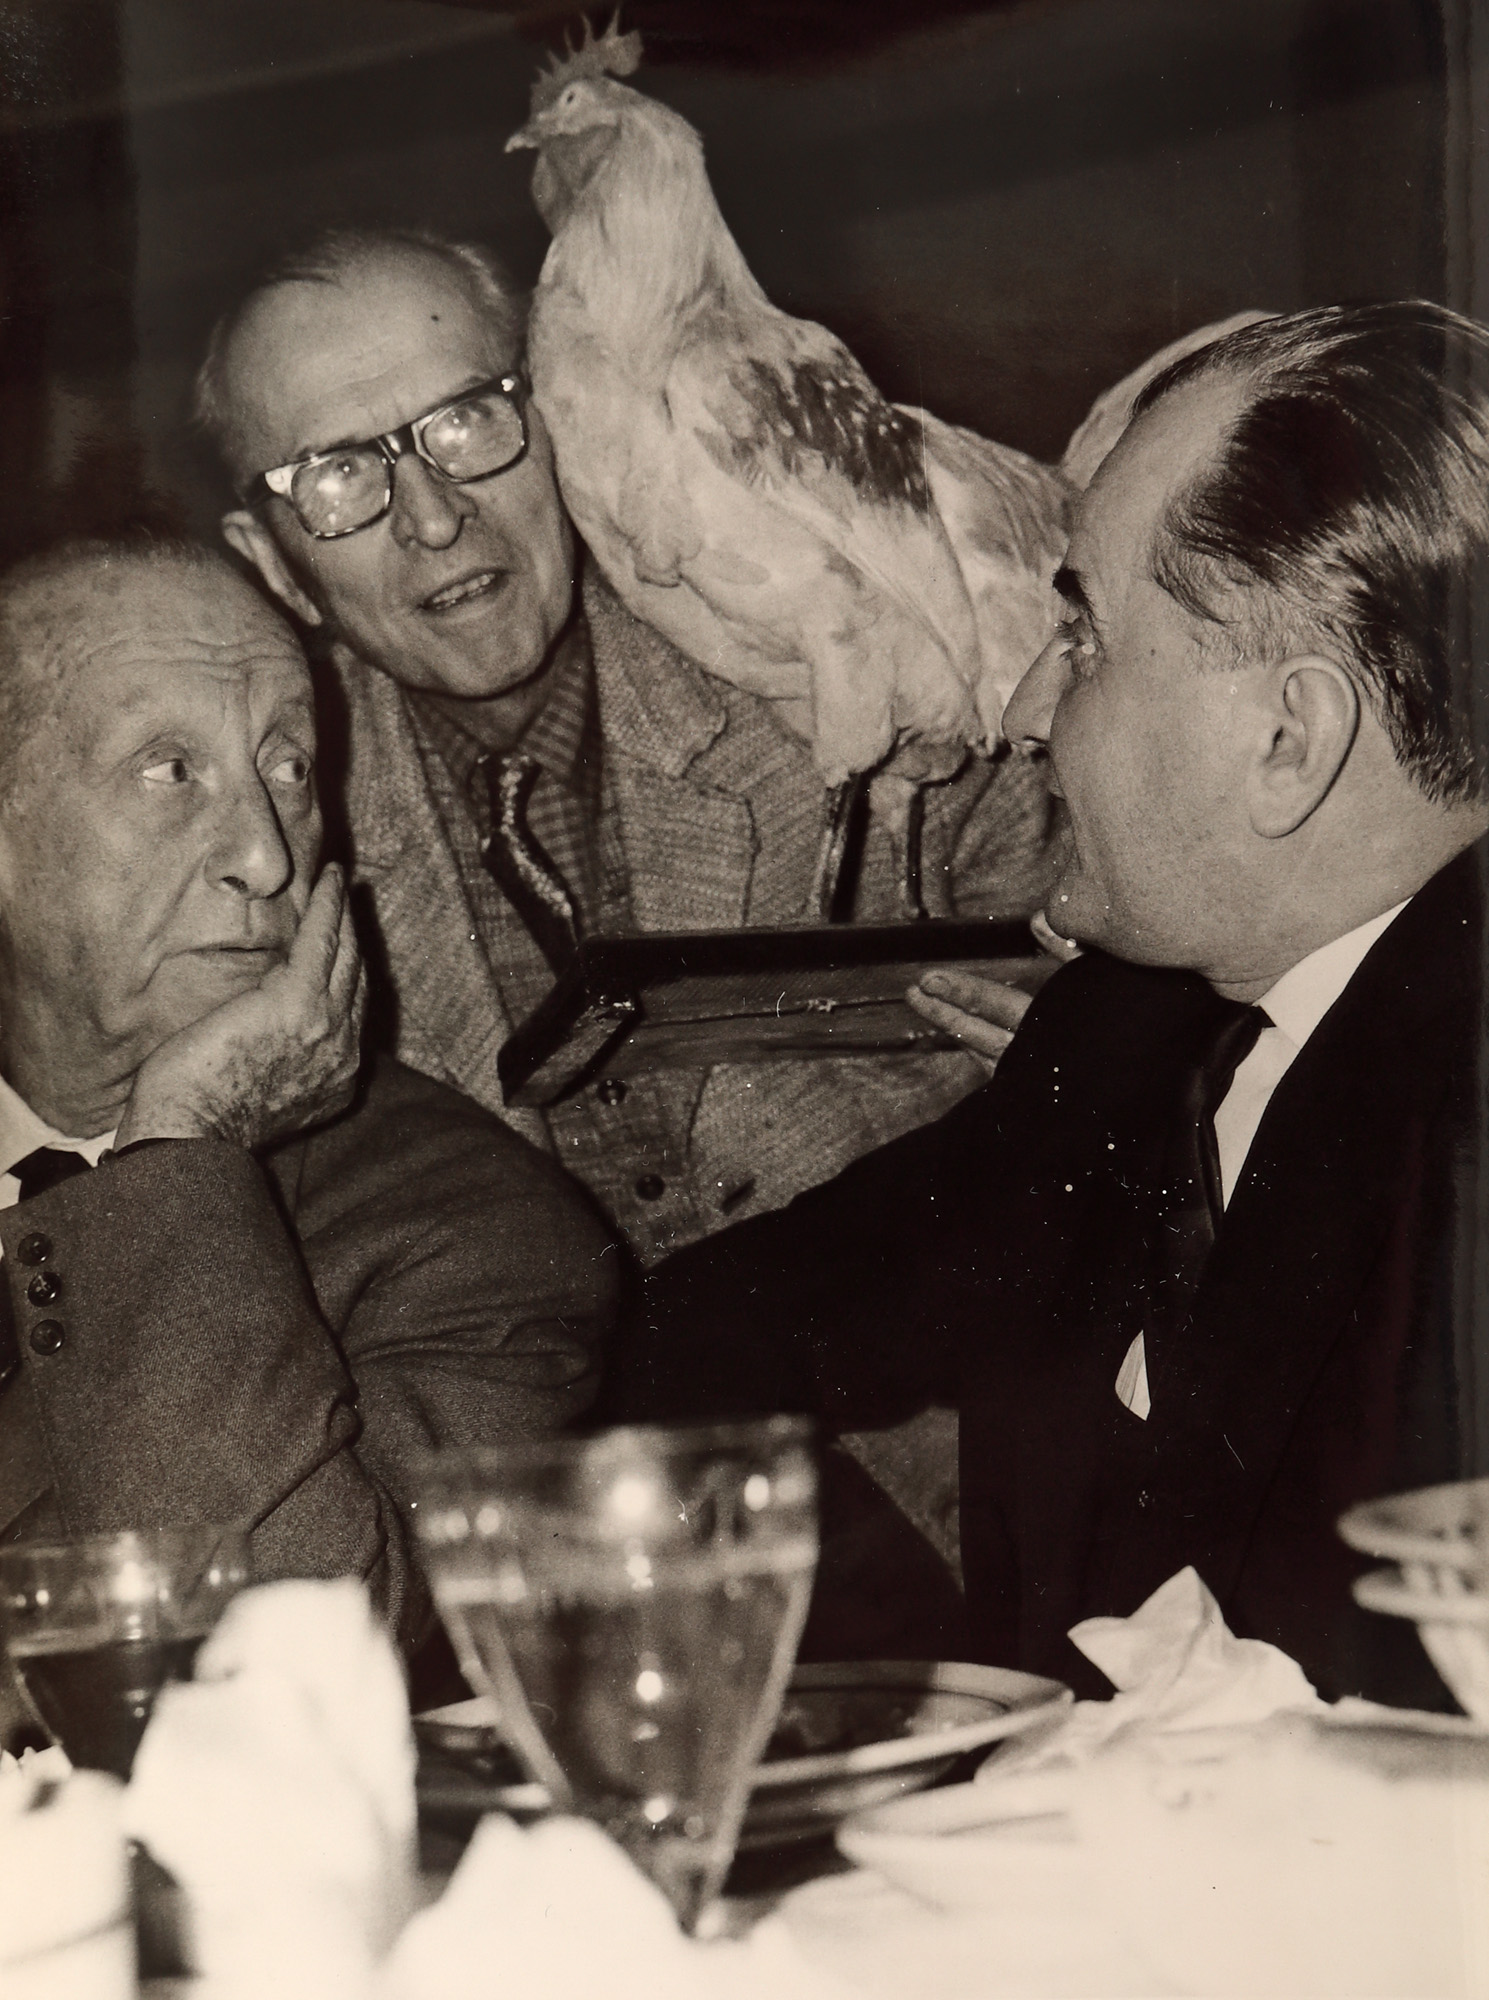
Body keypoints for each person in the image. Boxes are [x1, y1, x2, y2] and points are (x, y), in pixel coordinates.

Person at [601, 301, 1489, 1709]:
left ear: (1288, 741)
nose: (1019, 710)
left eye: (1083, 640)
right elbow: (721, 1330)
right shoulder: (1136, 1028)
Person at [192, 226, 1059, 1272]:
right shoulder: (263, 857)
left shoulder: (855, 649)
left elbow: (1094, 1018)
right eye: (336, 478)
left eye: (466, 421)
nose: (434, 518)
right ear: (274, 567)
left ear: (558, 417)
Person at [0, 531, 616, 1740]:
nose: (266, 854)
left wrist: (182, 1146)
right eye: (171, 770)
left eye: (288, 768)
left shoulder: (474, 1233)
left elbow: (268, 1677)